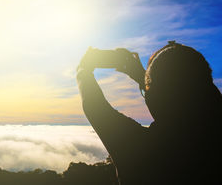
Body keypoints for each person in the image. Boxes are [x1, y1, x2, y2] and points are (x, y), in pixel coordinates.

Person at [76, 41, 222, 184]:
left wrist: (83, 70)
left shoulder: (144, 150)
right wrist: (142, 76)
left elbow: (94, 106)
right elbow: (184, 96)